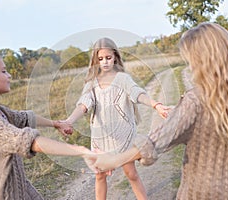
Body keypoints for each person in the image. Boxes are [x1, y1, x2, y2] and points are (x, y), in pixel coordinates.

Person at [93, 22, 228, 199]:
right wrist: (179, 112)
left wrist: (114, 159)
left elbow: (154, 143)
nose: (191, 66)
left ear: (203, 60)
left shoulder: (195, 100)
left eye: (192, 59)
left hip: (200, 192)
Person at [0, 51, 96, 200]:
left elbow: (26, 118)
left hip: (21, 189)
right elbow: (28, 141)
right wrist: (81, 151)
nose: (9, 75)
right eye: (3, 71)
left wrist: (56, 124)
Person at [62, 37, 169, 200]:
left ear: (115, 57)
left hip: (123, 136)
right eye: (100, 59)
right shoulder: (91, 84)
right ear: (95, 60)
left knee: (131, 173)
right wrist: (69, 121)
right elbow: (83, 105)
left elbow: (137, 93)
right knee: (100, 175)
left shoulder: (123, 79)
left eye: (108, 58)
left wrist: (155, 105)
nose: (104, 62)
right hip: (101, 138)